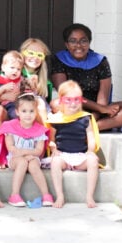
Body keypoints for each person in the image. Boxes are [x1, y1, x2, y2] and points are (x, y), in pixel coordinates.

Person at [50, 23, 122, 132]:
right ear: (66, 44)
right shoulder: (59, 60)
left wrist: (97, 113)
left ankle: (88, 127)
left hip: (99, 110)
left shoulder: (100, 61)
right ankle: (88, 126)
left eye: (83, 41)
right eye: (73, 41)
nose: (78, 45)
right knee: (56, 103)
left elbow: (103, 97)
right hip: (72, 106)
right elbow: (66, 94)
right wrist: (101, 109)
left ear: (89, 43)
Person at [47, 80, 100, 208]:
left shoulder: (85, 118)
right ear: (61, 101)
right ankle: (60, 195)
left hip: (81, 155)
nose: (73, 103)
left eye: (77, 99)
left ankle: (89, 196)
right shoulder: (56, 119)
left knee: (93, 160)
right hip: (64, 156)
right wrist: (53, 147)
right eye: (68, 100)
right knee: (55, 162)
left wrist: (90, 151)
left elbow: (91, 138)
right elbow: (51, 139)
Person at [0, 93, 53, 207]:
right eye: (24, 111)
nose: (28, 114)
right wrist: (24, 155)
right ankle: (14, 195)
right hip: (15, 159)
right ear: (17, 112)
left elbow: (39, 150)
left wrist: (27, 154)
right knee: (22, 162)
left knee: (33, 165)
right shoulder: (10, 126)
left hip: (32, 158)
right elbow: (10, 147)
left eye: (31, 111)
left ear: (36, 112)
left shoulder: (39, 130)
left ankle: (46, 195)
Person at [0, 49, 23, 133]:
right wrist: (3, 88)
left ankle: (18, 135)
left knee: (19, 113)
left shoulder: (21, 80)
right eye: (12, 67)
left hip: (16, 105)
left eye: (18, 69)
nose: (15, 71)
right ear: (3, 67)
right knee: (14, 114)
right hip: (4, 107)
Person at [19, 37, 53, 116]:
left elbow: (46, 104)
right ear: (22, 53)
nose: (35, 57)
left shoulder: (46, 82)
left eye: (39, 55)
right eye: (31, 53)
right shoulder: (12, 72)